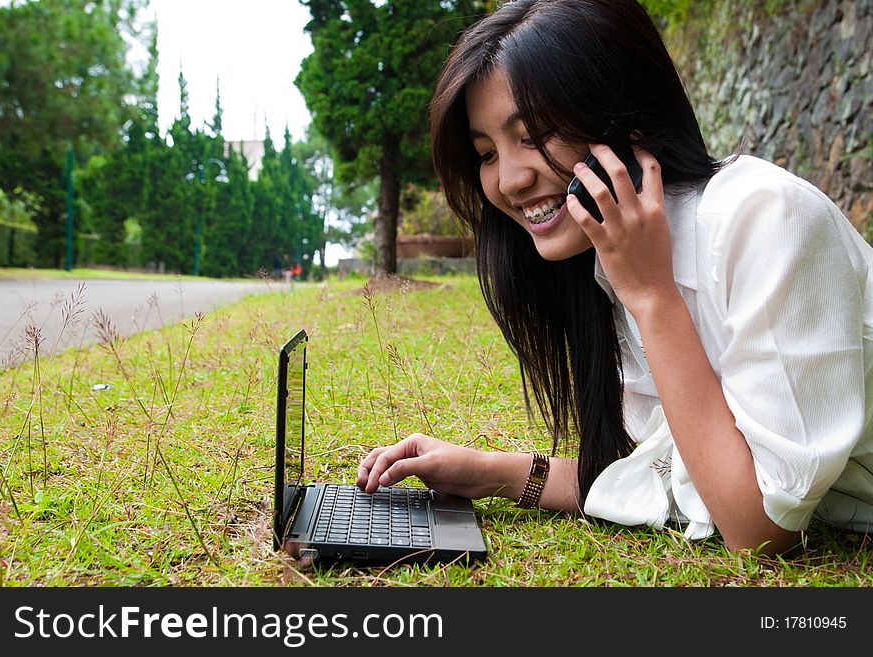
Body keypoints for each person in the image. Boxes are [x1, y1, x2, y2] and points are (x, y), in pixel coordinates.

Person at [355, 0, 873, 556]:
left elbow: (758, 531)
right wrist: (488, 472)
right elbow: (674, 470)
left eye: (531, 136)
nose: (508, 179)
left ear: (627, 119)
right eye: (486, 153)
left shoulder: (764, 219)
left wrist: (652, 296)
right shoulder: (608, 261)